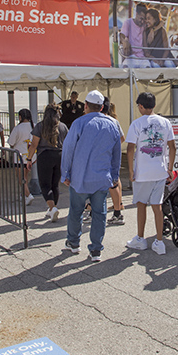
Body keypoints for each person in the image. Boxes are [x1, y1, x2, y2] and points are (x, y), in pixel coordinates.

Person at [60, 90, 122, 262]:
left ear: (85, 105)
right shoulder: (113, 124)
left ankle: (73, 243)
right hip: (102, 179)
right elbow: (117, 154)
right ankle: (96, 250)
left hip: (79, 178)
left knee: (75, 211)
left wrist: (65, 173)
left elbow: (68, 149)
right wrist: (115, 176)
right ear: (102, 107)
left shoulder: (78, 123)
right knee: (99, 213)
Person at [125, 92, 176, 255]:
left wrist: (131, 171)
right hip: (160, 171)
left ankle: (140, 239)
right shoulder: (165, 122)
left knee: (141, 205)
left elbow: (130, 148)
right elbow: (173, 147)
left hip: (143, 172)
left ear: (140, 106)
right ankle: (159, 241)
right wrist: (169, 168)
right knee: (157, 206)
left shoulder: (136, 124)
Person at [27, 104, 68, 222]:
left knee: (45, 185)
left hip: (45, 156)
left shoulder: (40, 126)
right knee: (55, 185)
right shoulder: (63, 127)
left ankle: (52, 207)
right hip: (59, 156)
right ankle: (52, 208)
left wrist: (29, 159)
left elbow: (34, 145)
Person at [103, 100, 127, 226]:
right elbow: (122, 138)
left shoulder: (98, 121)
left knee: (105, 184)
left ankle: (93, 212)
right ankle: (118, 210)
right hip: (113, 157)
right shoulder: (114, 121)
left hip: (103, 157)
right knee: (115, 182)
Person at [7, 108, 35, 205]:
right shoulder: (33, 126)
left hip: (20, 156)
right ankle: (23, 194)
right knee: (25, 176)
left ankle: (28, 195)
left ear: (20, 117)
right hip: (30, 156)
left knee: (21, 178)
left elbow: (11, 142)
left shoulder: (18, 128)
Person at [119, 3, 152, 68]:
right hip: (131, 56)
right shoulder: (128, 22)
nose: (142, 21)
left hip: (142, 57)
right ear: (136, 14)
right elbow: (122, 36)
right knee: (125, 68)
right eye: (141, 18)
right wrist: (124, 41)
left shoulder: (145, 25)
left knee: (148, 70)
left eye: (144, 19)